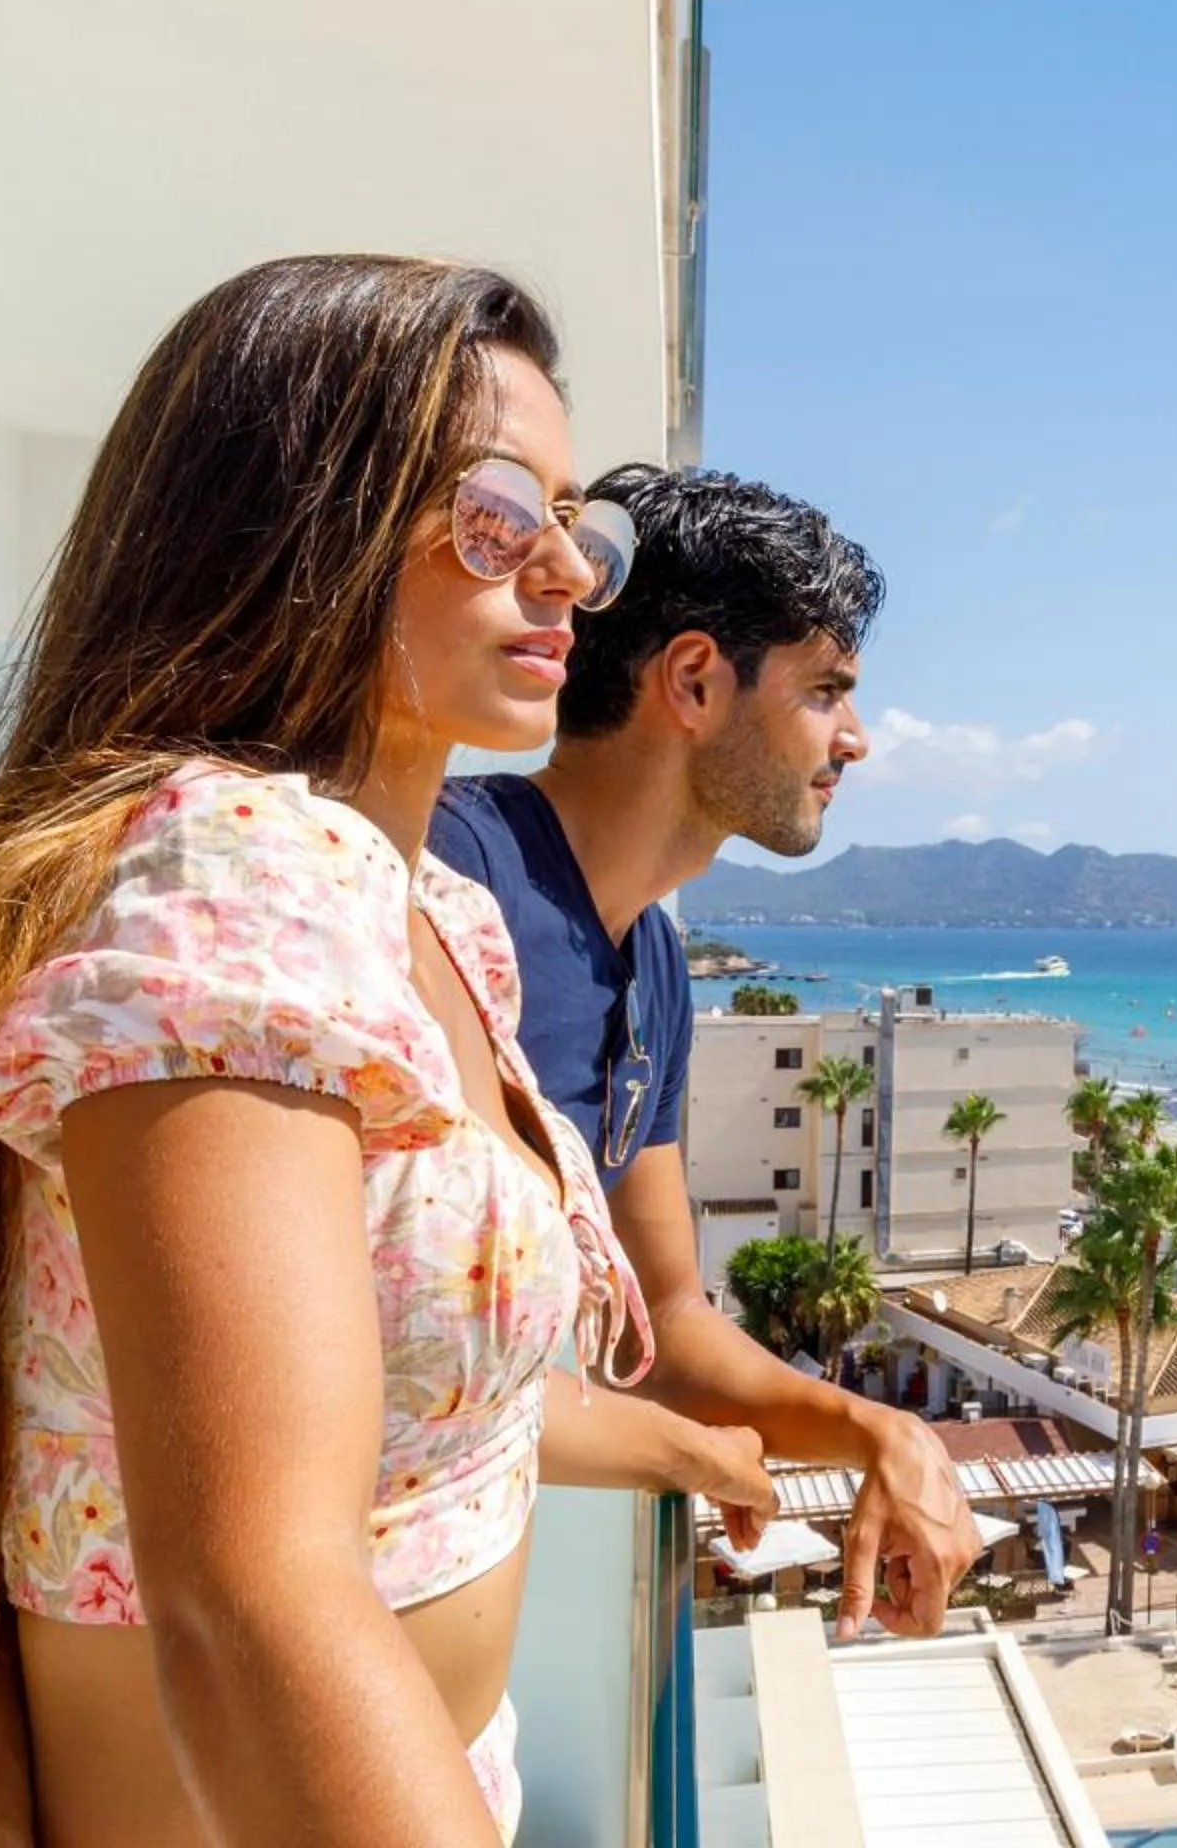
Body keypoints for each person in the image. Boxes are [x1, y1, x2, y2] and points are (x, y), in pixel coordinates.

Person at [0, 257, 781, 1845]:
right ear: (301, 523)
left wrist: (705, 1450)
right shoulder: (236, 879)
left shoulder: (438, 912)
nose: (568, 573)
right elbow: (251, 1597)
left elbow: (414, 1400)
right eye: (495, 511)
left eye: (579, 525)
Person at [427, 462, 980, 1642]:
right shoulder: (448, 884)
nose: (856, 739)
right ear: (693, 679)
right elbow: (387, 1348)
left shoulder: (657, 965)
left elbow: (664, 1325)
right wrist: (685, 1453)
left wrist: (883, 1430)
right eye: (825, 691)